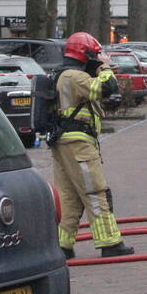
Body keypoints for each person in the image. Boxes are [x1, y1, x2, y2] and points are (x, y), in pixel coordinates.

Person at [53, 32, 134, 259]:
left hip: (64, 143)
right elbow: (106, 87)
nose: (96, 59)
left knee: (70, 197)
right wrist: (104, 68)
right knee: (95, 192)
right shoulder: (73, 77)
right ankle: (109, 242)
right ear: (84, 54)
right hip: (78, 144)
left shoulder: (64, 75)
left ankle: (62, 245)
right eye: (94, 55)